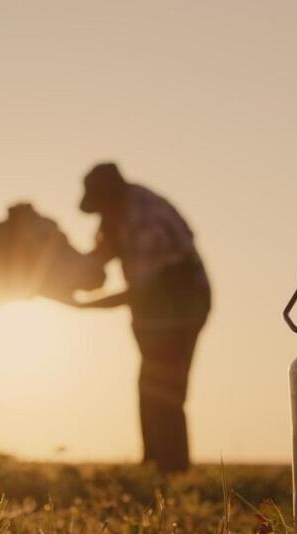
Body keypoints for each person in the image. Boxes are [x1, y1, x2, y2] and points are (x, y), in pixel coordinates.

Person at [72, 162, 211, 472]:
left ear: (111, 197)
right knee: (150, 383)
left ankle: (171, 470)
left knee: (164, 386)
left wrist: (84, 305)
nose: (99, 217)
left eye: (100, 207)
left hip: (181, 305)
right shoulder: (116, 217)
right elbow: (98, 258)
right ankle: (154, 465)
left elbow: (141, 292)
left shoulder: (146, 220)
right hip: (154, 309)